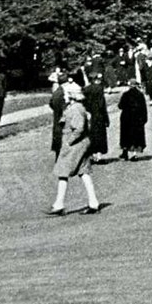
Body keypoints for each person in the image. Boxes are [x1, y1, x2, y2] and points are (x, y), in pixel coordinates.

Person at [47, 85, 102, 216]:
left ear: (71, 95)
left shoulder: (76, 109)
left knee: (63, 171)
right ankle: (93, 203)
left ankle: (59, 204)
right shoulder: (76, 107)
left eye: (66, 93)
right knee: (84, 172)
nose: (64, 95)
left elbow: (79, 129)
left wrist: (68, 142)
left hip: (75, 144)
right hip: (81, 143)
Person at [82, 70, 111, 162]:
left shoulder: (86, 89)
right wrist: (106, 119)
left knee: (91, 135)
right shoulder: (99, 89)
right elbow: (102, 105)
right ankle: (99, 156)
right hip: (99, 115)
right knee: (100, 136)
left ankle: (92, 155)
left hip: (89, 115)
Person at [118, 79, 148, 161]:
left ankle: (125, 151)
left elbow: (120, 106)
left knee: (126, 135)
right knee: (136, 137)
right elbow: (144, 108)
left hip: (126, 118)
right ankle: (134, 154)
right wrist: (144, 119)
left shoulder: (125, 94)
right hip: (137, 118)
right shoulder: (140, 95)